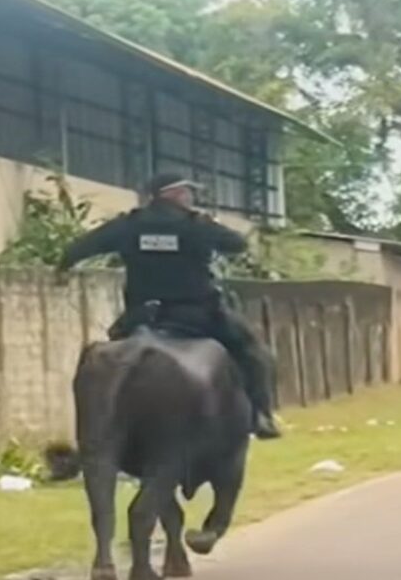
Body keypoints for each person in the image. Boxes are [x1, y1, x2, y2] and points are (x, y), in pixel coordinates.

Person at [57, 174, 281, 439]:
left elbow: (81, 247)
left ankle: (100, 431)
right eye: (187, 192)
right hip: (198, 315)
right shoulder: (196, 225)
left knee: (110, 357)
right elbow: (237, 244)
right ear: (173, 194)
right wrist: (206, 227)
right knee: (254, 351)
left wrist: (63, 267)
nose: (191, 197)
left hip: (142, 316)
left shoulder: (128, 225)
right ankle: (261, 416)